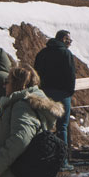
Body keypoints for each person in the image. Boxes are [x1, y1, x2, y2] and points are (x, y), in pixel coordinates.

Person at [34, 30, 77, 169]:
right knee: (62, 127)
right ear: (64, 39)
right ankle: (62, 161)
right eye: (69, 40)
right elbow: (71, 74)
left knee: (44, 126)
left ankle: (44, 158)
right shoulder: (66, 53)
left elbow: (36, 72)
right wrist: (69, 92)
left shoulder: (42, 53)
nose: (70, 42)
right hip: (62, 93)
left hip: (45, 92)